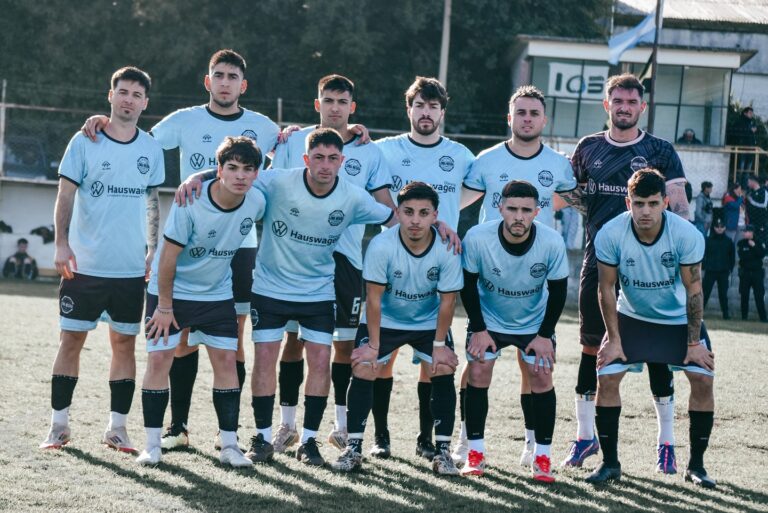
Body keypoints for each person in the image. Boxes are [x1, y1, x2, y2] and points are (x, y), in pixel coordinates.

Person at [82, 49, 280, 452]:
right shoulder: (184, 120)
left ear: (244, 85)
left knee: (232, 342)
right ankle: (179, 426)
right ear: (208, 82)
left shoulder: (264, 126)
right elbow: (140, 145)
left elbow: (290, 159)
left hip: (240, 248)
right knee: (182, 339)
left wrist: (349, 133)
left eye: (233, 76)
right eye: (218, 75)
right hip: (189, 242)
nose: (225, 82)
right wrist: (108, 123)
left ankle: (232, 435)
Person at [566, 73, 691, 471]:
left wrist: (680, 256)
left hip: (651, 268)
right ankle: (586, 438)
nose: (624, 107)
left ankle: (667, 444)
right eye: (617, 101)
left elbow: (681, 208)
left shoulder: (660, 150)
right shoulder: (588, 148)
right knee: (591, 348)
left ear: (642, 107)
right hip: (598, 262)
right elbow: (571, 196)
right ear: (607, 105)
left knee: (656, 352)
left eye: (631, 102)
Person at [455, 84, 581, 466]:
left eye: (534, 113)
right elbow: (454, 201)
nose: (527, 119)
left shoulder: (559, 165)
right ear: (509, 118)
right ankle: (467, 441)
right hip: (490, 279)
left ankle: (532, 445)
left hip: (531, 283)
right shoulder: (486, 160)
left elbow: (573, 200)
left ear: (544, 120)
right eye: (520, 113)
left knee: (535, 368)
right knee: (475, 365)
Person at [40, 67, 165, 452]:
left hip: (129, 268)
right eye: (122, 92)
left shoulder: (151, 148)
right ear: (110, 95)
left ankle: (117, 429)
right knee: (71, 340)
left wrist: (152, 247)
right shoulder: (84, 141)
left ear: (145, 102)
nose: (128, 99)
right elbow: (65, 195)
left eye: (136, 94)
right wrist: (61, 243)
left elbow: (151, 201)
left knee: (124, 345)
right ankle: (59, 426)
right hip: (85, 265)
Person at [269, 75, 395, 454]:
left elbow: (385, 206)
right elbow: (259, 177)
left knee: (341, 344)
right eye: (328, 100)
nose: (335, 107)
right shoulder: (293, 141)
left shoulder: (369, 152)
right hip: (294, 257)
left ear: (352, 107)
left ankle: (341, 427)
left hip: (345, 260)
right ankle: (287, 425)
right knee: (292, 340)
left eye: (342, 101)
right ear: (317, 104)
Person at [137, 136, 266, 467]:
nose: (240, 175)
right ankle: (152, 445)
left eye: (248, 169)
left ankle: (230, 446)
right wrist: (165, 307)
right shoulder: (189, 202)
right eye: (232, 168)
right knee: (159, 361)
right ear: (219, 171)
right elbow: (166, 260)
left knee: (226, 361)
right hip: (171, 294)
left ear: (256, 174)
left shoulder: (257, 201)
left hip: (215, 294)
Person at [588, 168, 716, 488]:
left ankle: (696, 467)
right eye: (639, 203)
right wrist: (615, 340)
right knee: (607, 375)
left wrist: (692, 343)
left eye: (653, 203)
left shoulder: (686, 235)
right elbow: (606, 289)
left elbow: (694, 291)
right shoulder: (610, 233)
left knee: (702, 378)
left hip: (677, 320)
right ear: (627, 203)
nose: (645, 210)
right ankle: (610, 463)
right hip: (632, 317)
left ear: (665, 203)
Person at [371, 77, 475, 461]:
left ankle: (425, 438)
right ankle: (380, 437)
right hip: (395, 263)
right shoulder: (384, 150)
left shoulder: (461, 154)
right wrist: (395, 217)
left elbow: (477, 188)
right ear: (409, 109)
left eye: (433, 106)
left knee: (433, 360)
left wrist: (445, 217)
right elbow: (364, 174)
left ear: (441, 113)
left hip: (437, 266)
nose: (426, 112)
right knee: (383, 357)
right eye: (419, 105)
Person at [331, 182, 462, 475]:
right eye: (408, 212)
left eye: (423, 213)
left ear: (435, 215)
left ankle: (442, 453)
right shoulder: (381, 245)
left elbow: (448, 303)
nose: (415, 220)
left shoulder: (447, 248)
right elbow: (374, 300)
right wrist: (374, 347)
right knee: (365, 365)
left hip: (427, 321)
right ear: (398, 213)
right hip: (386, 320)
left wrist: (439, 348)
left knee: (442, 368)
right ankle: (353, 449)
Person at [458, 180, 568, 482]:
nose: (519, 216)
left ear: (537, 211)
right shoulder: (478, 237)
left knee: (541, 376)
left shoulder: (551, 241)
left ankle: (542, 458)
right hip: (490, 320)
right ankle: (475, 454)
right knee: (478, 371)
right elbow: (467, 285)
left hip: (534, 322)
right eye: (512, 209)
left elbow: (558, 292)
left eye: (526, 210)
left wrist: (545, 335)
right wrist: (479, 329)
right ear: (500, 208)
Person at [702, 220, 735, 319]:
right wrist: (704, 266)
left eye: (722, 226)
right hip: (710, 271)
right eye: (717, 226)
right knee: (705, 293)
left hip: (723, 272)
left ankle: (726, 315)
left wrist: (730, 269)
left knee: (723, 294)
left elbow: (732, 257)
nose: (719, 228)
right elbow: (703, 254)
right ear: (714, 227)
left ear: (725, 228)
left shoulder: (729, 241)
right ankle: (699, 313)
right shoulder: (708, 240)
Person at [736, 225, 767, 322]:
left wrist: (754, 247)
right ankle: (744, 317)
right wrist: (753, 254)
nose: (744, 233)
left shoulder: (759, 242)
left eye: (746, 231)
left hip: (757, 273)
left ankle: (763, 318)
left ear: (751, 232)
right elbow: (743, 256)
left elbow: (762, 254)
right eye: (744, 231)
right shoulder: (741, 243)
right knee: (744, 295)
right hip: (745, 273)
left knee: (759, 296)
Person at [732, 107, 758, 172]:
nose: (751, 114)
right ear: (745, 113)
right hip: (742, 147)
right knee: (741, 166)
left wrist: (755, 129)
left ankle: (746, 181)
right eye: (750, 113)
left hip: (751, 147)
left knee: (748, 167)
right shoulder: (740, 121)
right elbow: (738, 131)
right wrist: (750, 130)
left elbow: (755, 129)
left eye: (752, 113)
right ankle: (738, 180)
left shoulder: (752, 122)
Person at [745, 175, 768, 246]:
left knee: (760, 241)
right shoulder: (750, 192)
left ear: (753, 182)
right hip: (751, 221)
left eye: (748, 182)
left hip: (761, 222)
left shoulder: (763, 191)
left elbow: (764, 204)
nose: (747, 184)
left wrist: (751, 200)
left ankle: (764, 256)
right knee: (751, 241)